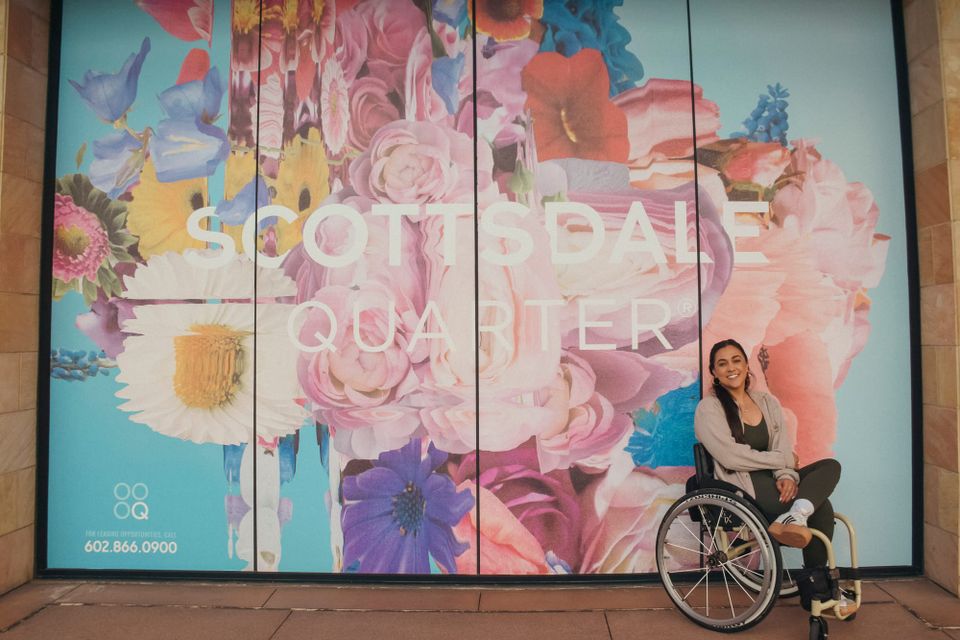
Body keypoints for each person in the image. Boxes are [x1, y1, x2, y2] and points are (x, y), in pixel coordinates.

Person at [694, 338, 841, 567]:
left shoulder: (766, 402)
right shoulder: (708, 408)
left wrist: (785, 475)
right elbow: (730, 457)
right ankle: (817, 588)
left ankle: (795, 516)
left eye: (736, 361)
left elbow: (782, 445)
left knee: (830, 466)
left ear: (746, 365)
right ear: (714, 371)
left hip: (773, 481)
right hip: (744, 489)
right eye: (722, 364)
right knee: (821, 508)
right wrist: (783, 460)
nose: (731, 368)